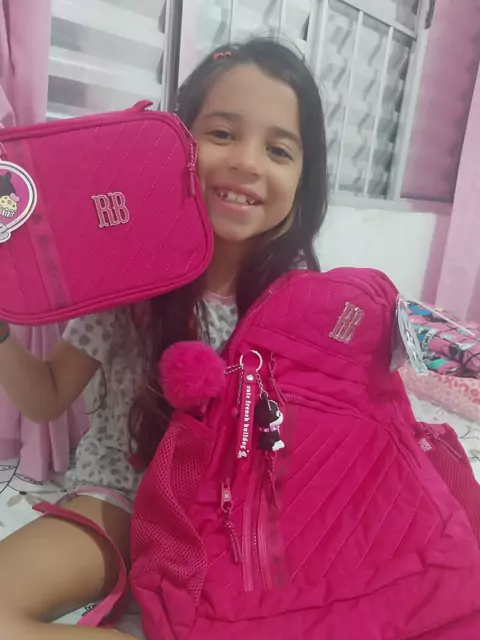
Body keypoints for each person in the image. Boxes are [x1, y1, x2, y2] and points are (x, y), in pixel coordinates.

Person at [0, 38, 328, 639]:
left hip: (233, 518)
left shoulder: (302, 302)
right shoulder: (130, 278)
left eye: (278, 149)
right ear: (176, 144)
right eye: (222, 133)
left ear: (304, 179)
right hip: (121, 497)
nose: (247, 162)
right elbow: (46, 397)